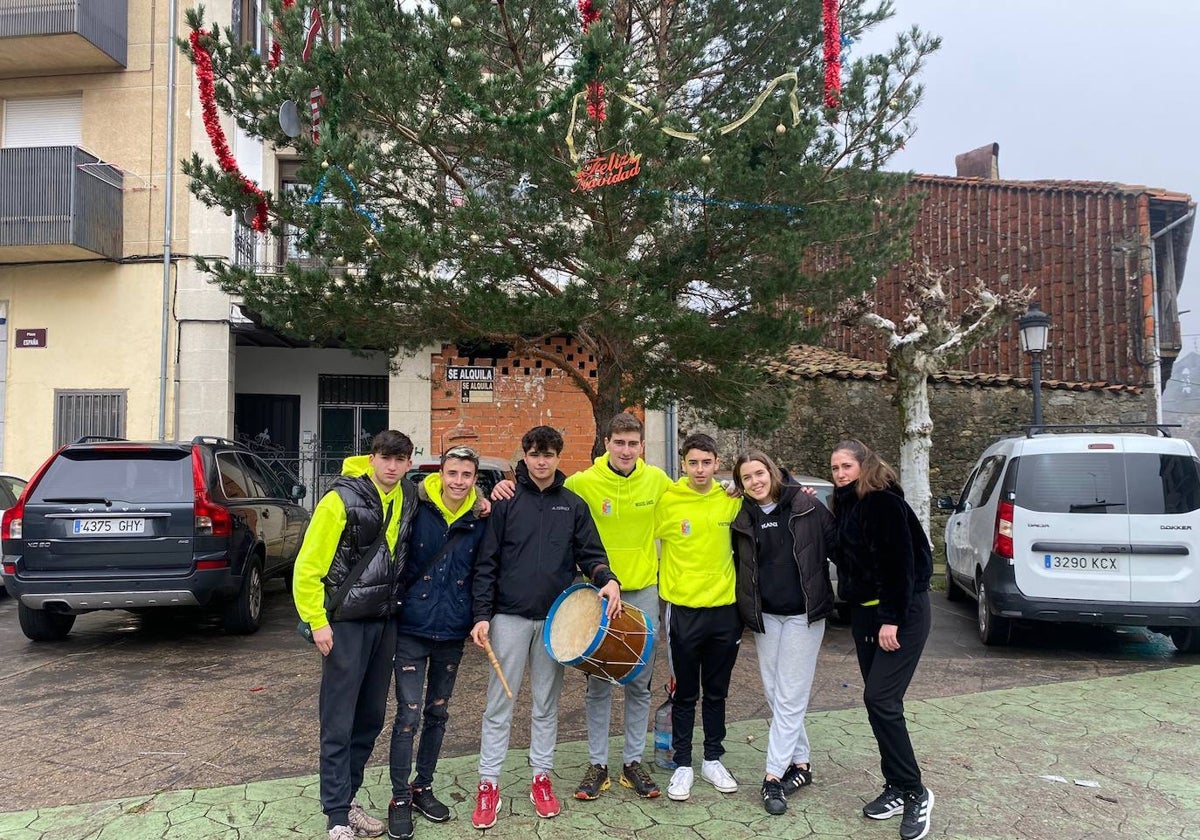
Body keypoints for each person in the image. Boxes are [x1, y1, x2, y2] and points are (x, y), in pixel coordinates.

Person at [469, 425, 622, 830]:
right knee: (499, 705)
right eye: (535, 453)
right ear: (525, 454)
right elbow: (486, 563)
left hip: (555, 622)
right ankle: (488, 783)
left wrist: (606, 577)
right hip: (508, 618)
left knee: (545, 705)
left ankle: (541, 777)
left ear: (558, 457)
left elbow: (590, 553)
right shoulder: (504, 502)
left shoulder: (572, 505)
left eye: (549, 454)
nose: (541, 461)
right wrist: (481, 615)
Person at [293, 430, 418, 840]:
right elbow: (308, 566)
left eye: (401, 459)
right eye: (386, 458)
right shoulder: (340, 500)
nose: (393, 466)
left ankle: (348, 799)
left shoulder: (408, 496)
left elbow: (448, 488)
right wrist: (316, 620)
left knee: (370, 718)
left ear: (409, 463)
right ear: (371, 458)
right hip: (344, 624)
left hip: (383, 622)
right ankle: (336, 817)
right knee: (338, 720)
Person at [829, 439, 935, 840]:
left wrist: (891, 618)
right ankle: (895, 785)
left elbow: (899, 565)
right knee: (881, 703)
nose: (840, 473)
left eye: (846, 466)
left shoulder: (881, 502)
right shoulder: (847, 505)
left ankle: (914, 792)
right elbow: (847, 557)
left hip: (900, 614)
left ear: (864, 465)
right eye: (835, 467)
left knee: (881, 699)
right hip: (865, 614)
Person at [563, 413, 672, 800]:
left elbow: (693, 499)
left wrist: (729, 491)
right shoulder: (581, 483)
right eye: (619, 442)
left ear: (641, 446)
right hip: (599, 592)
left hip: (642, 592)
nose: (626, 450)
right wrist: (504, 490)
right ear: (606, 442)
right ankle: (597, 765)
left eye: (633, 443)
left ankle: (631, 763)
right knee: (598, 682)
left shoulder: (658, 481)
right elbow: (545, 497)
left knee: (640, 682)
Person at [386, 446, 489, 840]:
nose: (459, 482)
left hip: (452, 630)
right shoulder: (416, 504)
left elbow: (483, 572)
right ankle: (399, 797)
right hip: (412, 627)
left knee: (438, 713)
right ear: (441, 474)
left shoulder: (479, 519)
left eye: (466, 475)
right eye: (452, 473)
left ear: (474, 478)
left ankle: (422, 786)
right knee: (408, 715)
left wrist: (480, 617)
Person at [731, 451, 836, 816]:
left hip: (804, 616)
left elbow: (839, 544)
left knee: (791, 695)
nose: (756, 481)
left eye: (760, 473)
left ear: (772, 472)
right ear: (740, 484)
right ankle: (802, 764)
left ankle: (773, 775)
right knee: (776, 692)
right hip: (767, 616)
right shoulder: (742, 516)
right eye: (747, 477)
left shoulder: (806, 505)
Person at [653, 432, 743, 802]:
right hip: (683, 611)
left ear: (717, 463)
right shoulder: (668, 500)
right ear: (683, 464)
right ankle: (683, 764)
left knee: (717, 692)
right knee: (685, 692)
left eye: (707, 462)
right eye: (693, 462)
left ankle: (712, 758)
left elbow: (773, 491)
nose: (700, 469)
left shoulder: (730, 500)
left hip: (725, 611)